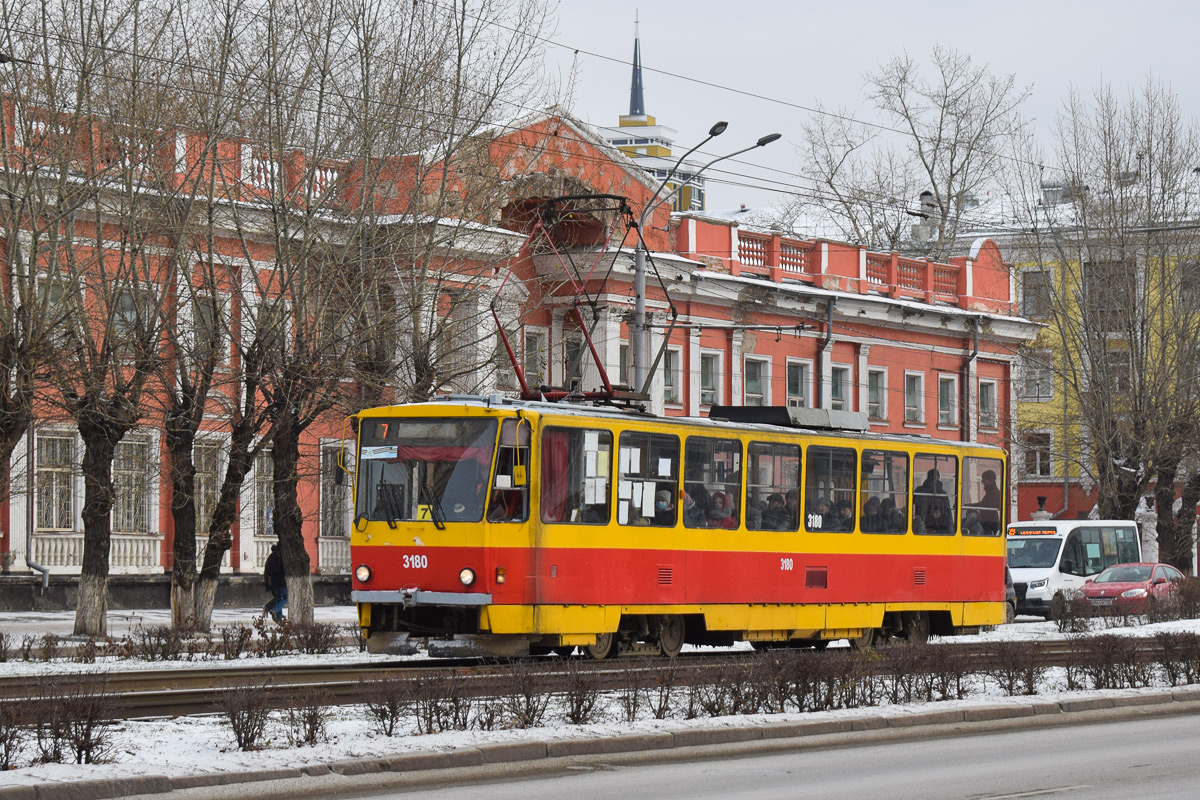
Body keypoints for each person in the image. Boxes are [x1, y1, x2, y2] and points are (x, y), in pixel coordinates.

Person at [263, 544, 287, 624]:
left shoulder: (271, 557)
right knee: (286, 597)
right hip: (282, 581)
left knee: (278, 598)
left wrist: (268, 583)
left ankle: (279, 618)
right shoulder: (283, 557)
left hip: (273, 581)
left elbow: (267, 570)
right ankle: (273, 608)